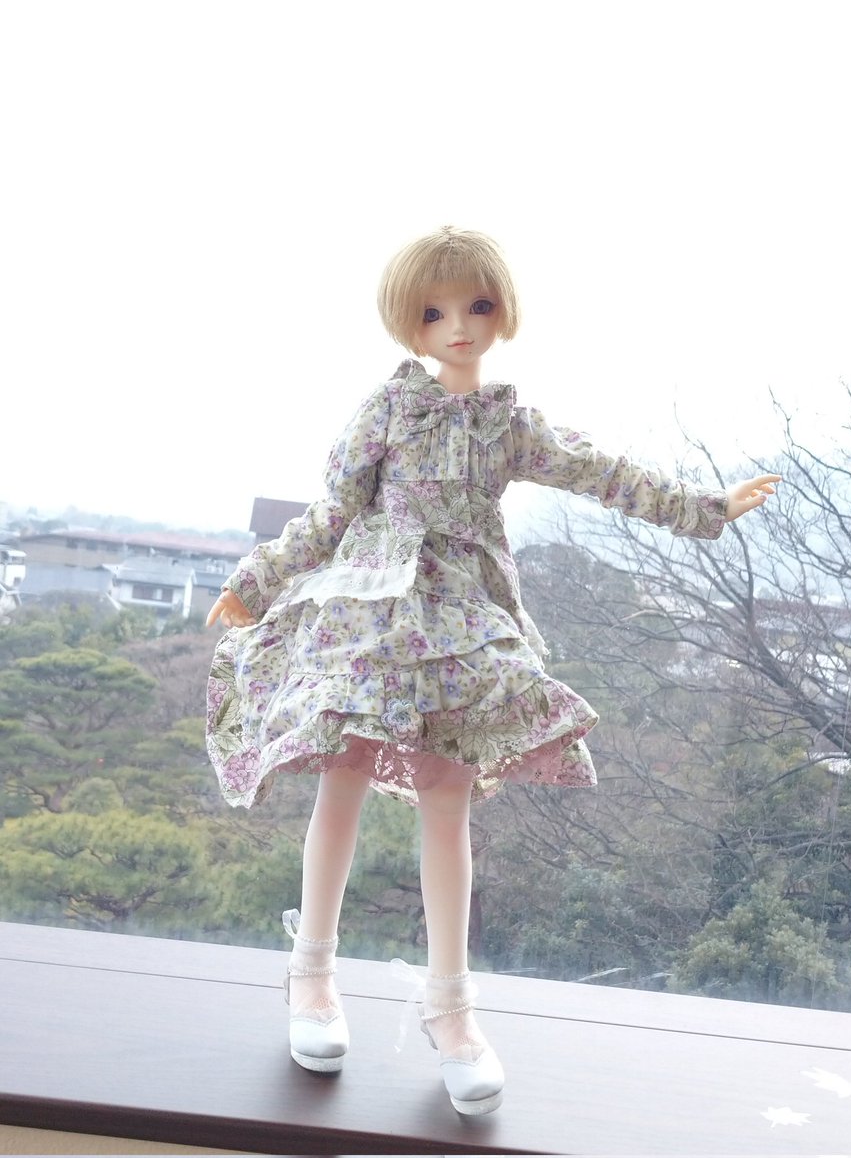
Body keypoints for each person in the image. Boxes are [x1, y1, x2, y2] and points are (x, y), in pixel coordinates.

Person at [205, 226, 779, 1115]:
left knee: (449, 792)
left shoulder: (507, 421)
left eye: (476, 305)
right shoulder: (388, 409)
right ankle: (310, 972)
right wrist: (255, 580)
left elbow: (600, 471)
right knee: (343, 773)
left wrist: (703, 509)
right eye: (434, 312)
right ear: (409, 321)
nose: (459, 327)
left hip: (464, 613)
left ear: (500, 309)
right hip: (373, 604)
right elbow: (332, 511)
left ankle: (451, 1008)